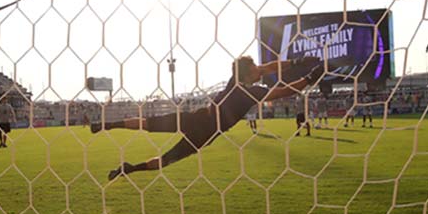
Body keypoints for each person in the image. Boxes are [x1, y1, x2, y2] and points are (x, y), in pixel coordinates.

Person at [94, 56, 320, 179]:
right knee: (164, 156)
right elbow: (283, 91)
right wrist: (308, 77)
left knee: (149, 126)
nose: (260, 70)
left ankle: (121, 154)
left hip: (195, 119)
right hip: (204, 132)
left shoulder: (236, 81)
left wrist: (296, 63)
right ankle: (126, 161)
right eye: (255, 68)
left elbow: (268, 67)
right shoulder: (252, 91)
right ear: (248, 72)